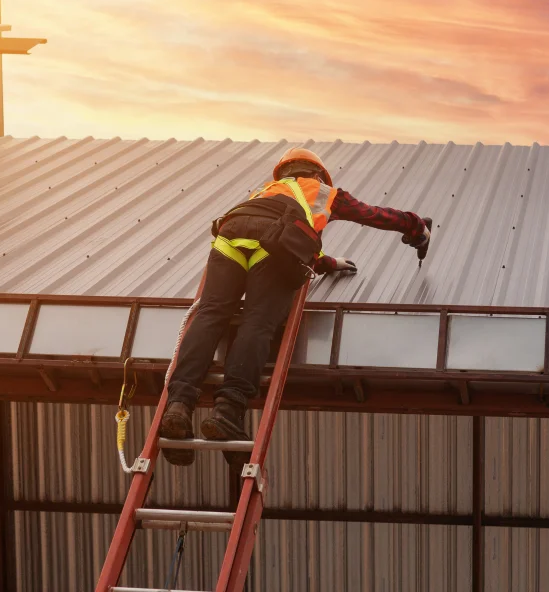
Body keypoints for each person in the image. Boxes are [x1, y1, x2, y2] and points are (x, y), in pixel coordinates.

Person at [159, 148, 432, 467]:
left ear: (284, 172)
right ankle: (227, 411)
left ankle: (178, 405)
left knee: (210, 315)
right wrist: (417, 228)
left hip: (229, 236)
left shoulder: (264, 189)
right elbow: (374, 215)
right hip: (270, 247)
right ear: (318, 174)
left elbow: (281, 230)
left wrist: (326, 262)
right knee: (257, 323)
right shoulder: (326, 192)